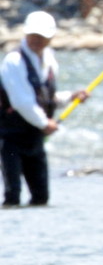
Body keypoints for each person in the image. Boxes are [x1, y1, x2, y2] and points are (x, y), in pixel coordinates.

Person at [2, 11, 88, 208]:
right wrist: (44, 123)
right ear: (26, 33)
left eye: (42, 36)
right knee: (12, 197)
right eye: (33, 35)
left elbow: (46, 98)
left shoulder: (49, 59)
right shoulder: (14, 61)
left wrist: (71, 97)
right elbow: (21, 101)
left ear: (51, 37)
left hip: (35, 138)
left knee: (41, 198)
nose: (37, 40)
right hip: (10, 138)